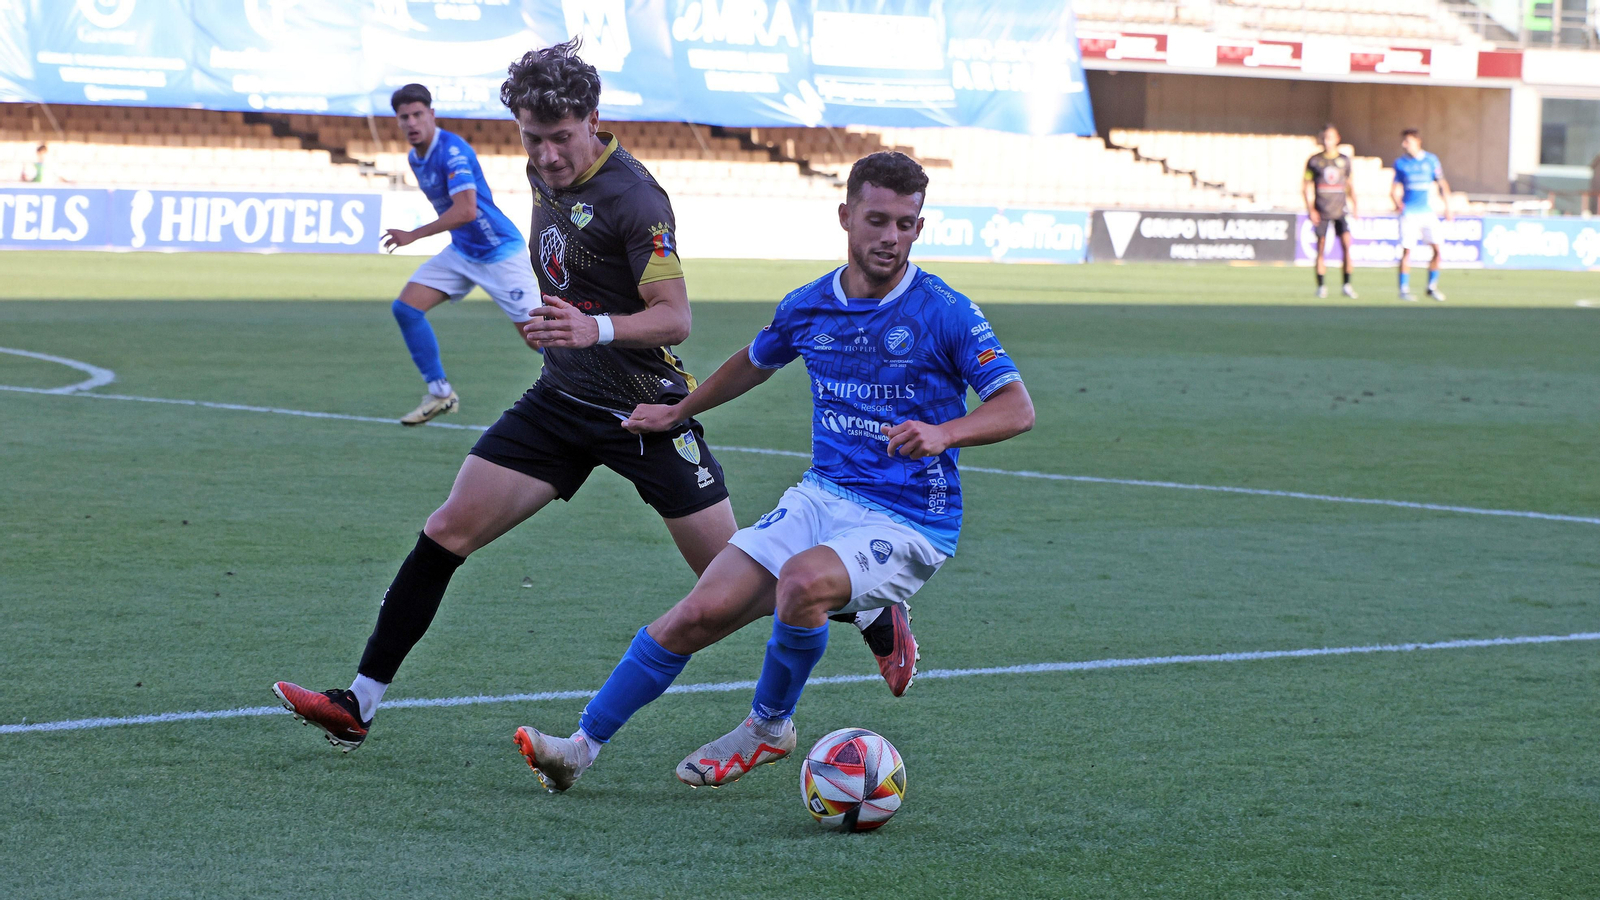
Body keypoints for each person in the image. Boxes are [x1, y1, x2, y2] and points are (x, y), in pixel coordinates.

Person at [271, 42, 910, 753]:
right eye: (532, 139)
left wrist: (590, 325)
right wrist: (561, 327)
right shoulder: (542, 167)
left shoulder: (636, 198)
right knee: (448, 528)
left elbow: (676, 318)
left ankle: (870, 610)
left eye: (560, 139)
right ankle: (359, 702)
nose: (546, 156)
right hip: (561, 401)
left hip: (646, 411)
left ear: (593, 120)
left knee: (728, 584)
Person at [509, 150, 1036, 794]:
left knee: (803, 581)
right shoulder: (810, 305)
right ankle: (577, 749)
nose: (890, 237)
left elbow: (1016, 407)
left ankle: (769, 726)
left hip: (910, 518)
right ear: (846, 216)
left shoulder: (945, 311)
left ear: (919, 229)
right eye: (877, 220)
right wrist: (678, 409)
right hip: (823, 494)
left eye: (905, 224)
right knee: (700, 611)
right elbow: (754, 361)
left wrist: (944, 432)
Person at [381, 83, 540, 425]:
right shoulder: (415, 157)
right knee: (406, 309)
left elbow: (467, 211)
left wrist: (413, 235)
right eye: (404, 117)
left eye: (418, 114)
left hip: (499, 251)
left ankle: (605, 379)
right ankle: (440, 393)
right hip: (463, 252)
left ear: (432, 115)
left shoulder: (453, 151)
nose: (411, 123)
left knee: (538, 339)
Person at [1391, 129, 1453, 302]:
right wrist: (1397, 203)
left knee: (1437, 250)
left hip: (1427, 213)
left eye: (1407, 141)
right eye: (1404, 141)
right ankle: (1404, 289)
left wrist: (1448, 207)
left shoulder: (1431, 161)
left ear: (1418, 142)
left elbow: (1442, 184)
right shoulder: (1401, 163)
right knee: (1407, 251)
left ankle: (1431, 287)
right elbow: (1394, 188)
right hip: (1409, 213)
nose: (1404, 145)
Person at [1304, 125, 1358, 299]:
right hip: (1322, 210)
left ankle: (1347, 285)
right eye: (1325, 138)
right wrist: (1311, 209)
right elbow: (1305, 187)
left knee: (1346, 245)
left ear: (1337, 139)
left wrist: (1355, 204)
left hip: (1341, 210)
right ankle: (1321, 286)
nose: (1328, 141)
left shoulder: (1344, 160)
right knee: (1320, 248)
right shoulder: (1314, 161)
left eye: (1331, 138)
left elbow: (1349, 184)